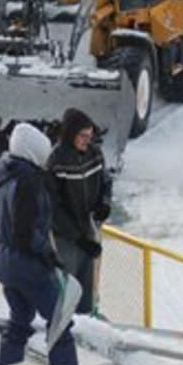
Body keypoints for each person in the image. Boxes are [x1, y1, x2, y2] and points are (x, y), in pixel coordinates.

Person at [0, 123, 79, 365]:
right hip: (27, 266)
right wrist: (49, 256)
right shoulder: (28, 183)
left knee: (19, 319)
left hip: (3, 261)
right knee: (60, 322)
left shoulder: (1, 176)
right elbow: (26, 233)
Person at [47, 108, 112, 316]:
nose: (87, 141)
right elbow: (53, 208)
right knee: (67, 286)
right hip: (66, 237)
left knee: (88, 284)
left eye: (90, 136)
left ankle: (87, 319)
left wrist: (104, 204)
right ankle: (65, 323)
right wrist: (77, 237)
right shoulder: (56, 161)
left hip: (89, 230)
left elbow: (105, 182)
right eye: (83, 136)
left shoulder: (95, 154)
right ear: (71, 134)